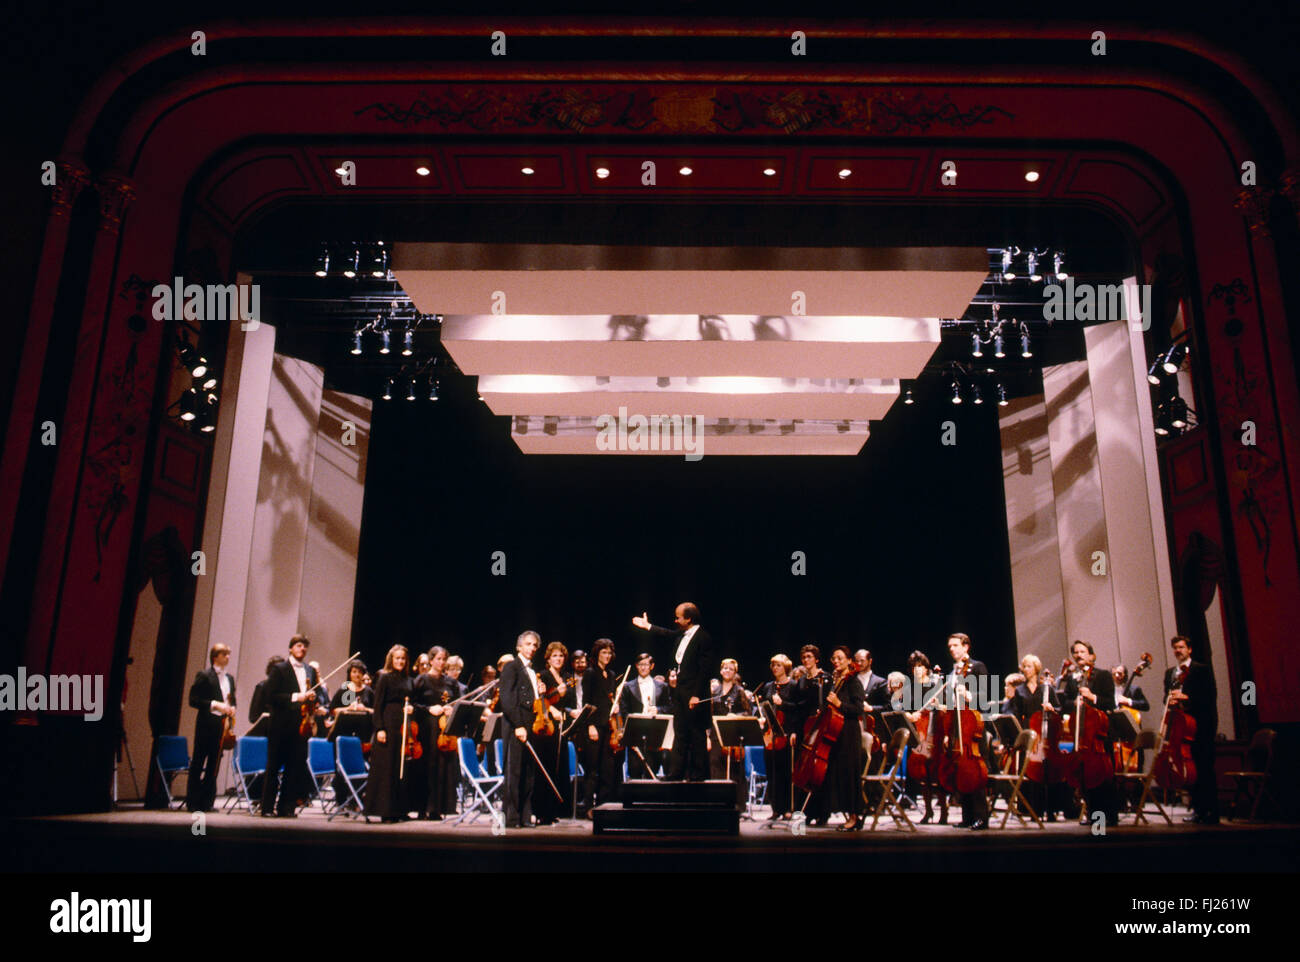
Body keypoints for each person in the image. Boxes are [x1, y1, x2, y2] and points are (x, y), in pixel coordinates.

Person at [632, 603, 717, 781]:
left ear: (689, 619)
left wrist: (697, 695)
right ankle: (676, 773)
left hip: (694, 693)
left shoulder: (703, 638)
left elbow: (705, 671)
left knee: (696, 733)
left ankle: (698, 775)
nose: (675, 620)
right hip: (680, 691)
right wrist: (647, 626)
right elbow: (666, 633)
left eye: (678, 617)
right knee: (680, 732)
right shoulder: (681, 634)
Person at [1057, 639, 1119, 826]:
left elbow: (1110, 703)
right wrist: (1073, 704)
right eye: (1075, 652)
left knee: (1104, 777)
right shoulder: (1072, 678)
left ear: (1091, 655)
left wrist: (1093, 697)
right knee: (1086, 777)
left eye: (1082, 651)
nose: (1078, 655)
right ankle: (1093, 815)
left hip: (1100, 734)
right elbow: (1064, 703)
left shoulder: (1103, 675)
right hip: (1082, 734)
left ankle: (1110, 816)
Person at [260, 635, 321, 818]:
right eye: (299, 645)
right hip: (281, 725)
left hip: (302, 725)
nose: (302, 649)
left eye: (305, 646)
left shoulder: (310, 670)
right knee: (274, 767)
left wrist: (312, 697)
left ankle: (287, 807)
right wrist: (296, 696)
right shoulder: (279, 669)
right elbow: (271, 697)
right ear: (290, 648)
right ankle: (267, 808)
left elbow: (315, 693)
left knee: (295, 767)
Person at [1165, 635, 1219, 824]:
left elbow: (1210, 696)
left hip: (1200, 726)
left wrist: (1187, 698)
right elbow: (1166, 698)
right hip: (1181, 728)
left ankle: (1212, 812)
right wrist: (1170, 700)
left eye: (1181, 647)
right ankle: (1198, 809)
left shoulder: (1201, 670)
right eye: (1175, 648)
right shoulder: (1170, 673)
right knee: (1191, 771)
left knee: (1204, 769)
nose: (1178, 651)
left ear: (1189, 649)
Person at [944, 632, 989, 830]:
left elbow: (988, 696)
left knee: (975, 771)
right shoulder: (953, 672)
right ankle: (967, 816)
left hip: (973, 725)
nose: (952, 649)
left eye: (955, 645)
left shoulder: (977, 666)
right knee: (961, 770)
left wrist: (970, 695)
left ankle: (981, 816)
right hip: (958, 725)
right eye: (950, 646)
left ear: (966, 646)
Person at [499, 630, 543, 828]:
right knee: (514, 772)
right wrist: (518, 725)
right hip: (516, 725)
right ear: (519, 646)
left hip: (530, 724)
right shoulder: (511, 667)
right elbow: (507, 700)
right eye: (528, 644)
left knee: (528, 772)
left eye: (535, 645)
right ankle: (511, 817)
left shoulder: (532, 671)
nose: (532, 648)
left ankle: (525, 816)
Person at [366, 645, 414, 823]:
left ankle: (399, 810)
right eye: (397, 658)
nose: (400, 661)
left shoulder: (409, 680)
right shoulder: (384, 678)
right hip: (387, 723)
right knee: (387, 768)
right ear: (391, 660)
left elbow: (411, 701)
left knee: (399, 768)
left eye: (403, 658)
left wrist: (411, 708)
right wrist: (379, 728)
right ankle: (384, 811)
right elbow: (377, 705)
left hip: (402, 726)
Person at [186, 643, 236, 812]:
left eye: (228, 654)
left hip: (221, 727)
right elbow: (193, 700)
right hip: (205, 726)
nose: (227, 657)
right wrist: (215, 705)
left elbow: (231, 699)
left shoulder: (229, 679)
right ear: (215, 657)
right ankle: (193, 802)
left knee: (214, 765)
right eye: (224, 654)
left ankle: (207, 802)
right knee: (198, 763)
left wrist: (232, 708)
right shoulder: (204, 675)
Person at [823, 646, 866, 831]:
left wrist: (839, 703)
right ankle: (850, 815)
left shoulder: (853, 682)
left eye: (840, 658)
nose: (836, 661)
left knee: (850, 776)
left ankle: (855, 817)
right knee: (841, 776)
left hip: (849, 733)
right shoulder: (838, 681)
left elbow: (858, 709)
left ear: (850, 661)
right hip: (838, 732)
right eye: (834, 658)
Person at [413, 646, 458, 820]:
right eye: (438, 659)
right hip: (426, 729)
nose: (441, 662)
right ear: (431, 660)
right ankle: (421, 808)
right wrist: (429, 708)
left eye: (444, 659)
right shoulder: (421, 680)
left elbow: (455, 703)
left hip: (444, 730)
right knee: (426, 767)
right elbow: (413, 705)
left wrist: (450, 709)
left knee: (442, 768)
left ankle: (437, 808)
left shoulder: (450, 682)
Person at [580, 638, 623, 814]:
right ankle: (588, 806)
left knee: (608, 768)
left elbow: (610, 699)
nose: (607, 655)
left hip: (608, 727)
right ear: (597, 654)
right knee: (592, 769)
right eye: (603, 652)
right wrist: (589, 725)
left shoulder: (612, 675)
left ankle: (603, 807)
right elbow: (586, 702)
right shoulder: (590, 673)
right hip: (594, 726)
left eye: (609, 652)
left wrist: (616, 705)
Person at [791, 644, 832, 824]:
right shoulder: (801, 680)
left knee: (820, 772)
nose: (806, 660)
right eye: (803, 657)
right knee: (804, 771)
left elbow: (828, 705)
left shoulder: (825, 678)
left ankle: (822, 813)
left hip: (819, 728)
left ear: (816, 659)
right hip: (804, 729)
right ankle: (806, 812)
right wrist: (793, 730)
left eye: (809, 657)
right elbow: (798, 707)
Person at [755, 655, 797, 820]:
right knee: (771, 773)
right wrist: (762, 718)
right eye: (773, 665)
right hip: (770, 734)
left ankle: (787, 808)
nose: (775, 668)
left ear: (785, 667)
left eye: (778, 665)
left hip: (786, 733)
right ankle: (775, 809)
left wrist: (783, 704)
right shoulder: (768, 687)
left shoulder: (793, 686)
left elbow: (797, 709)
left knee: (785, 773)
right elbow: (764, 707)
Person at [534, 641, 571, 824]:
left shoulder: (565, 676)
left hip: (562, 725)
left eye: (561, 656)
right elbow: (540, 699)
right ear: (548, 658)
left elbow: (567, 701)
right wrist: (552, 708)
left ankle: (554, 809)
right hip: (546, 725)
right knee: (547, 766)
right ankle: (542, 811)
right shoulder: (543, 675)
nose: (558, 659)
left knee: (559, 766)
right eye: (555, 656)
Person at [708, 659, 752, 804]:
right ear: (721, 671)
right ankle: (718, 802)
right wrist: (707, 735)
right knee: (716, 765)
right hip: (716, 733)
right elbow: (710, 714)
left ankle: (737, 804)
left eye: (731, 669)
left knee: (734, 768)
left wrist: (735, 715)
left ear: (735, 673)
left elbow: (747, 712)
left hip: (733, 733)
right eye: (725, 668)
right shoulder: (715, 691)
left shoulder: (739, 691)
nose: (727, 671)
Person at [619, 652, 668, 779]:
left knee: (652, 768)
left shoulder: (662, 686)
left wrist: (657, 710)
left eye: (646, 664)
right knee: (634, 768)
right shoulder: (628, 687)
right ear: (636, 666)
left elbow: (669, 707)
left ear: (651, 666)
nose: (643, 667)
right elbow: (624, 711)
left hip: (655, 732)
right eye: (640, 664)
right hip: (635, 732)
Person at [327, 659, 374, 745]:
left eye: (359, 672)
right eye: (354, 672)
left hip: (363, 732)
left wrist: (365, 709)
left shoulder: (369, 691)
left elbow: (376, 711)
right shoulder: (343, 689)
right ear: (350, 674)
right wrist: (348, 708)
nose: (357, 675)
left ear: (363, 674)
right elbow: (332, 710)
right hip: (344, 730)